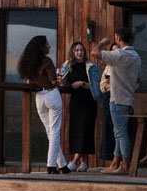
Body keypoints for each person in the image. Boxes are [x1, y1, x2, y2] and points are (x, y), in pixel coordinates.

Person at [17, 34, 68, 174]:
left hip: (39, 97)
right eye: (47, 44)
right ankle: (51, 166)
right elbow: (53, 81)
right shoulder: (47, 61)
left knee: (49, 131)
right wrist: (60, 80)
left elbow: (29, 81)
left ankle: (62, 164)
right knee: (55, 131)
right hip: (52, 95)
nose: (49, 46)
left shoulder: (29, 64)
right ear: (41, 47)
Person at [97, 27, 142, 173]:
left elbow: (94, 53)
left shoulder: (119, 55)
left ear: (118, 38)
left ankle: (125, 165)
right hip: (129, 98)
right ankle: (115, 162)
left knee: (121, 133)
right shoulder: (136, 56)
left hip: (117, 98)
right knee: (119, 132)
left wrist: (102, 43)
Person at [59, 41, 102, 173]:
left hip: (88, 102)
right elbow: (64, 84)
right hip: (75, 102)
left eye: (81, 50)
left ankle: (75, 160)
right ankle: (83, 163)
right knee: (76, 130)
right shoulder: (67, 66)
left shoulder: (91, 67)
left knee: (85, 129)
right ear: (73, 52)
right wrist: (69, 84)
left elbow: (97, 88)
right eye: (77, 50)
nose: (79, 52)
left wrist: (82, 84)